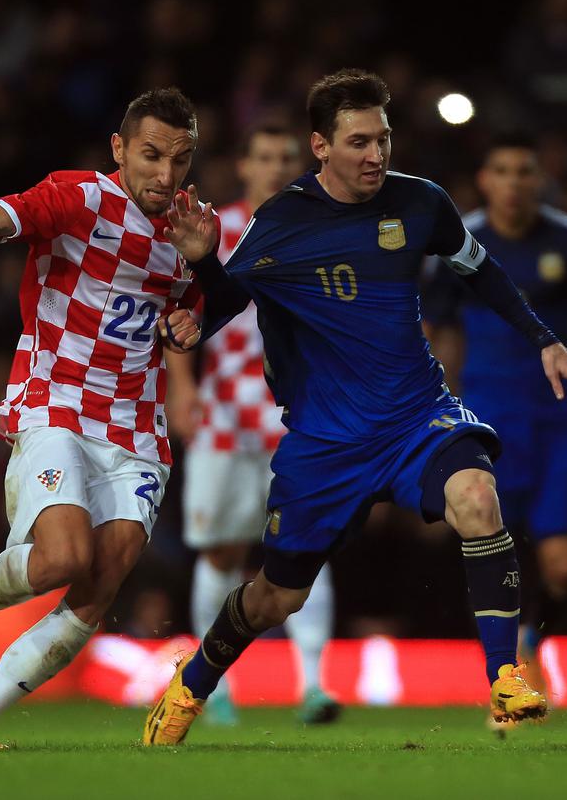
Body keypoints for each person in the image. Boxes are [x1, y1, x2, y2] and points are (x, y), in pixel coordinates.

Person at [143, 69, 567, 745]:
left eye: (383, 139)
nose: (376, 155)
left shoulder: (421, 204)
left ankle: (506, 676)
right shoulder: (283, 221)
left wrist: (547, 341)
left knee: (479, 497)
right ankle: (193, 682)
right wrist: (201, 273)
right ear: (320, 146)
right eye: (358, 141)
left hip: (417, 415)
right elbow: (221, 304)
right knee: (278, 595)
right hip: (327, 440)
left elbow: (481, 272)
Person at [0, 87, 214, 749]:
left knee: (98, 582)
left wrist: (196, 308)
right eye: (150, 156)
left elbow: (205, 304)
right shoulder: (79, 197)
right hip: (57, 402)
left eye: (181, 159)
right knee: (61, 556)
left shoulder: (195, 230)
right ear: (119, 149)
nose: (165, 176)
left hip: (138, 433)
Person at [422, 133, 567, 679]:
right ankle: (507, 671)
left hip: (556, 423)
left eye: (524, 170)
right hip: (485, 423)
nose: (513, 182)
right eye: (502, 170)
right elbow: (432, 330)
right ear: (485, 180)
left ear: (540, 180)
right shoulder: (459, 245)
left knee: (563, 570)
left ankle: (531, 638)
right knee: (488, 546)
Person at [164, 124, 340, 725]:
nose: (273, 166)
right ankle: (215, 690)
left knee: (306, 545)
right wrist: (181, 386)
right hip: (222, 417)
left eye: (283, 156)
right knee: (220, 553)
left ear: (303, 161)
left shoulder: (318, 225)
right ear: (244, 164)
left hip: (297, 413)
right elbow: (179, 310)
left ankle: (314, 685)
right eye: (263, 156)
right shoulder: (217, 229)